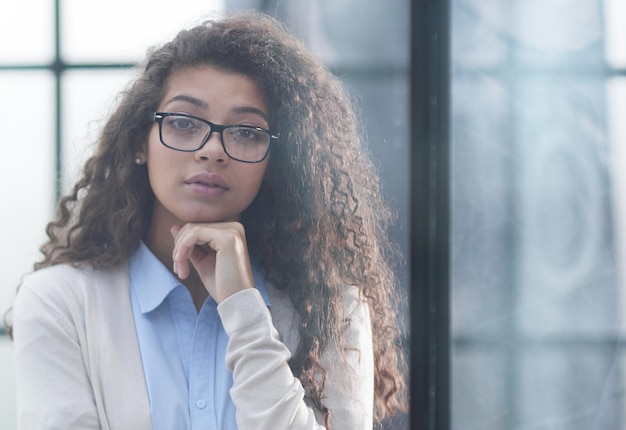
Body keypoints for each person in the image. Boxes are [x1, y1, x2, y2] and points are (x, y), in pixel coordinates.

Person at [9, 11, 406, 430]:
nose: (213, 150)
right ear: (139, 142)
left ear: (274, 162)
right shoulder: (59, 304)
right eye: (183, 123)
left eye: (247, 132)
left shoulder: (332, 308)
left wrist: (243, 309)